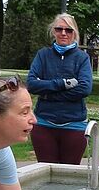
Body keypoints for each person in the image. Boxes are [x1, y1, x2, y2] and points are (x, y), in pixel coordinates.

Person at [26, 13, 93, 164]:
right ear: (53, 31)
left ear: (74, 33)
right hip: (44, 123)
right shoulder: (43, 55)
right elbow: (31, 84)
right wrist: (62, 84)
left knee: (68, 176)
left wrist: (47, 93)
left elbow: (84, 89)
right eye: (59, 29)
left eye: (68, 30)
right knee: (45, 173)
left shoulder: (82, 58)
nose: (63, 33)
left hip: (74, 125)